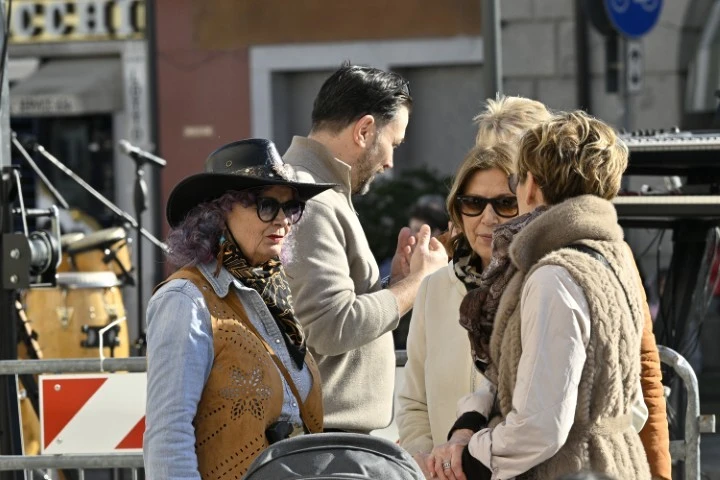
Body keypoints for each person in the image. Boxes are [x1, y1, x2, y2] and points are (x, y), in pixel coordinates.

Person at [428, 111, 652, 479]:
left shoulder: (555, 277)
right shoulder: (612, 256)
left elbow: (539, 427)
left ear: (530, 185)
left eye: (515, 179)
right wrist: (470, 421)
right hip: (615, 464)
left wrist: (466, 459)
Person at [143, 139, 334, 479]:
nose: (283, 220)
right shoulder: (184, 300)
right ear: (217, 215)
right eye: (266, 205)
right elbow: (168, 435)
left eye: (291, 207)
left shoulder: (273, 296)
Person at [282, 63, 448, 433]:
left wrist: (394, 286)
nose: (390, 162)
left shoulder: (316, 191)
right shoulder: (313, 199)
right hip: (324, 442)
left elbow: (324, 316)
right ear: (364, 130)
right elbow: (330, 326)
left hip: (324, 437)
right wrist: (417, 284)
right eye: (394, 144)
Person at [397, 96, 552, 476]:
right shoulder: (436, 287)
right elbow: (414, 403)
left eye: (506, 202)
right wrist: (429, 460)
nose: (488, 217)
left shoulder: (552, 280)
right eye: (473, 202)